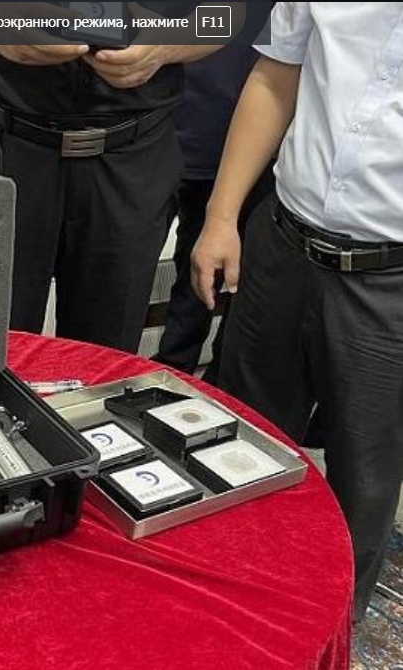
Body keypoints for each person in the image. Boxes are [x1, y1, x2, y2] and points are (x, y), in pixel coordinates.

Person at [191, 1, 403, 622]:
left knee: (363, 477)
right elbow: (275, 75)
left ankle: (325, 634)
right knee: (239, 442)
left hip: (389, 280)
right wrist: (221, 216)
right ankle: (218, 605)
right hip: (282, 244)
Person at [0, 4, 237, 353]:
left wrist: (168, 45)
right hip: (0, 146)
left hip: (133, 156)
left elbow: (232, 15)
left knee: (105, 359)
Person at [154, 42, 275, 382]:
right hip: (145, 135)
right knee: (119, 281)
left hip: (240, 147)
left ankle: (181, 378)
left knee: (209, 282)